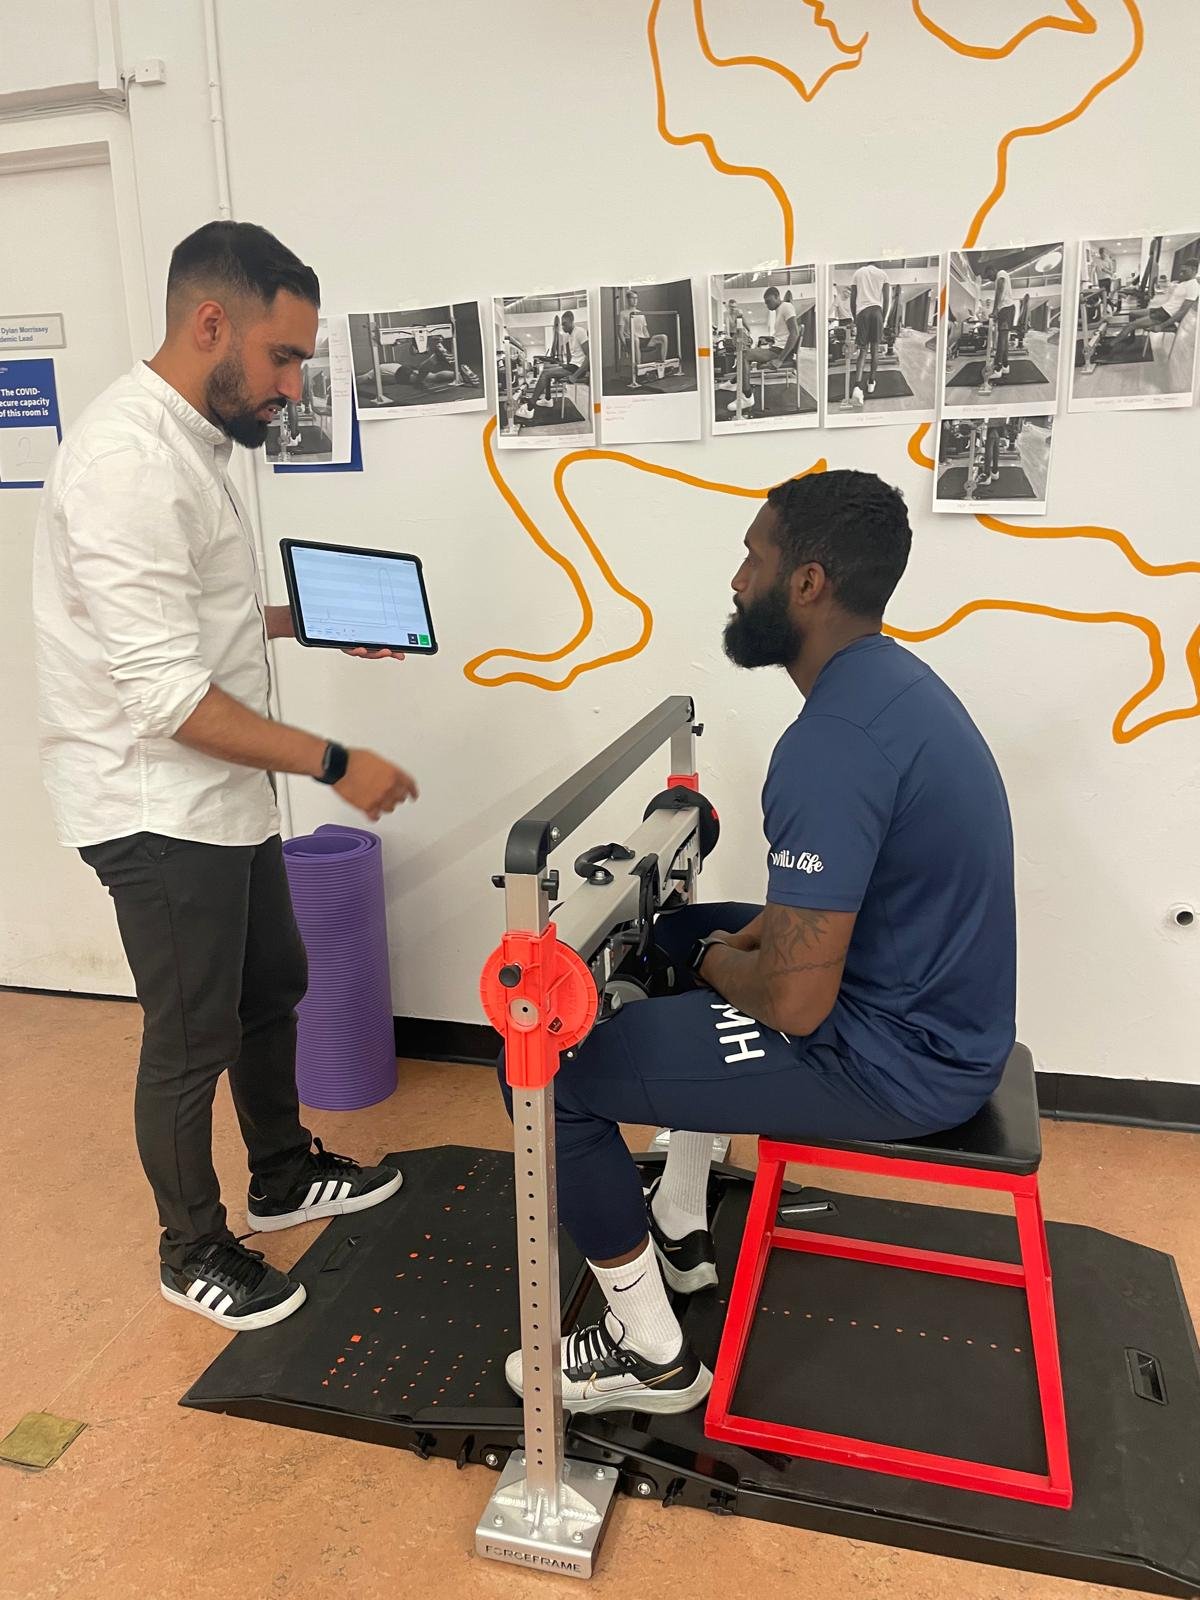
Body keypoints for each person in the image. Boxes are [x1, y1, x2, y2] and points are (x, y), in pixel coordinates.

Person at [499, 469, 1017, 1415]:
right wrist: (704, 945)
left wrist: (707, 965)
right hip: (929, 1013)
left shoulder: (830, 746)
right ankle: (679, 1218)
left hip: (898, 1060)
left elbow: (792, 1003)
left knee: (545, 1072)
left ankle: (647, 1351)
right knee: (677, 931)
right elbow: (841, 896)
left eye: (755, 559)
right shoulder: (892, 687)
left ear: (807, 583)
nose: (738, 581)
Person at [32, 220, 420, 1334]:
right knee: (192, 1032)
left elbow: (190, 617)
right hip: (151, 804)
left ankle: (281, 1173)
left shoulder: (194, 445)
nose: (292, 386)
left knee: (269, 986)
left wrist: (305, 619)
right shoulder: (125, 463)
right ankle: (191, 1248)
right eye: (282, 356)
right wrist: (336, 761)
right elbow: (164, 694)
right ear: (212, 324)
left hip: (221, 796)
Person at [722, 286, 801, 415]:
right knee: (746, 353)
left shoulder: (787, 307)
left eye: (769, 301)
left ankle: (747, 396)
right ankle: (733, 382)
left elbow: (795, 333)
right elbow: (783, 335)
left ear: (777, 297)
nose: (767, 305)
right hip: (776, 348)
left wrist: (780, 360)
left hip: (780, 352)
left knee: (744, 354)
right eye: (765, 302)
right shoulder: (780, 309)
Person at [516, 309, 590, 420]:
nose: (563, 327)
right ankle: (547, 399)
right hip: (572, 366)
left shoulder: (580, 332)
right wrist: (564, 365)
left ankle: (530, 407)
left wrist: (575, 376)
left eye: (565, 324)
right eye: (562, 324)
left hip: (578, 369)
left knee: (545, 374)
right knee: (546, 371)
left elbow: (589, 357)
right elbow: (575, 357)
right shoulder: (570, 336)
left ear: (572, 321)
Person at [1113, 261, 1199, 347]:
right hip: (1162, 310)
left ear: (1194, 270)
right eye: (1181, 271)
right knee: (1132, 314)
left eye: (1184, 271)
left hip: (1166, 315)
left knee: (1130, 325)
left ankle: (1110, 345)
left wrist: (1161, 326)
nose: (1181, 274)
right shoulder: (1184, 283)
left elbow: (1182, 312)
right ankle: (1131, 338)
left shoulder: (1193, 286)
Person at [848, 260, 891, 407]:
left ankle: (857, 386)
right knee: (874, 350)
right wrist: (883, 318)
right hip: (877, 312)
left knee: (862, 351)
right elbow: (887, 300)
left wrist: (855, 318)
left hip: (862, 313)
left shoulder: (858, 273)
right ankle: (871, 382)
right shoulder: (883, 274)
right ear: (878, 264)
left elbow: (853, 299)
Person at [622, 290, 671, 380]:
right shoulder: (623, 313)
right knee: (636, 339)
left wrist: (649, 340)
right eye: (632, 298)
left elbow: (645, 330)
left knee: (663, 337)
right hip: (631, 340)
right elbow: (620, 332)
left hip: (642, 339)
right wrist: (624, 346)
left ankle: (662, 365)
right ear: (628, 299)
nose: (635, 300)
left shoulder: (640, 313)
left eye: (636, 298)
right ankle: (639, 371)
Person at [985, 266, 1015, 380]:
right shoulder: (1000, 276)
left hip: (1006, 309)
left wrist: (995, 310)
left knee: (1001, 339)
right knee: (1004, 339)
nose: (989, 279)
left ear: (993, 270)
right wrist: (998, 312)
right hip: (1006, 309)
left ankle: (998, 369)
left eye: (989, 275)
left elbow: (1000, 290)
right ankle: (1005, 366)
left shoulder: (1001, 273)